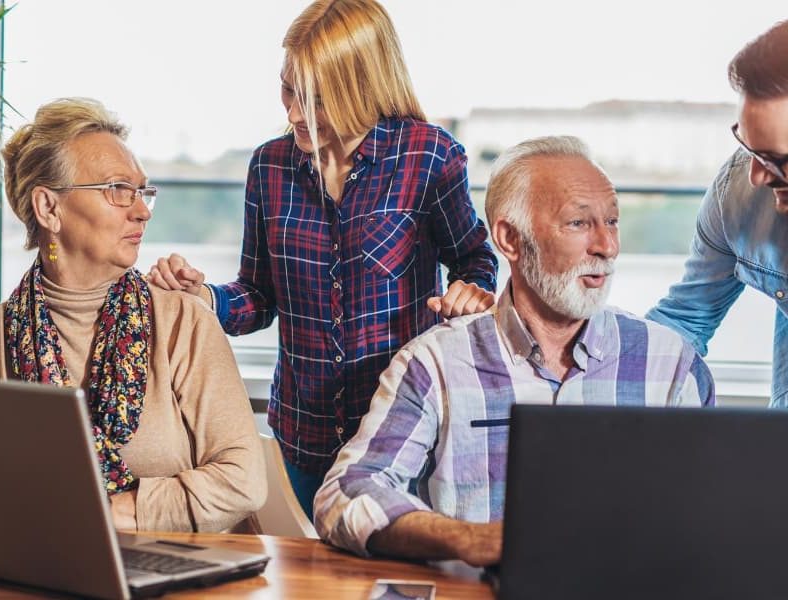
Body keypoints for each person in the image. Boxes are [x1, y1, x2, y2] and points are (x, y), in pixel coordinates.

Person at [148, 0, 498, 519]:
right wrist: (204, 298)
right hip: (301, 438)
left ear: (362, 86)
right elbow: (259, 295)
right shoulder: (269, 166)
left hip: (400, 438)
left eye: (316, 98)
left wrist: (470, 292)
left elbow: (475, 260)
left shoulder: (429, 158)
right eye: (288, 89)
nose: (293, 113)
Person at [314, 136, 715, 566]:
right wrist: (469, 540)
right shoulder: (434, 364)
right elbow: (345, 491)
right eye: (579, 224)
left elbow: (716, 518)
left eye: (612, 222)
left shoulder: (674, 366)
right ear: (509, 239)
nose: (607, 246)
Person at [0, 98, 266, 533]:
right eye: (117, 190)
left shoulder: (182, 323)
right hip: (37, 570)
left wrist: (120, 512)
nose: (142, 210)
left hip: (181, 574)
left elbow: (244, 479)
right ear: (48, 208)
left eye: (142, 191)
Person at [647, 20, 788, 406]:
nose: (757, 176)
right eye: (751, 149)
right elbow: (686, 319)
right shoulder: (738, 195)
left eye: (778, 160)